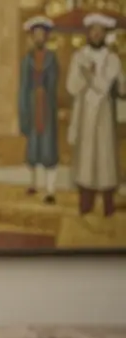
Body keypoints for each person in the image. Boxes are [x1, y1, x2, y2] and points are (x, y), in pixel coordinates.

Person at [66, 11, 121, 217]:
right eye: (93, 31)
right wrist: (83, 76)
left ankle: (108, 208)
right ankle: (85, 207)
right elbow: (71, 87)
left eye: (100, 31)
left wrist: (89, 75)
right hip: (85, 116)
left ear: (105, 34)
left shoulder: (112, 59)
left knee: (105, 160)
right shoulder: (78, 56)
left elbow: (104, 86)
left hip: (104, 116)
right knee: (86, 161)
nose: (96, 34)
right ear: (88, 33)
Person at [18, 15, 60, 204]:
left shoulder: (52, 58)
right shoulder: (27, 60)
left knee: (48, 147)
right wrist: (24, 108)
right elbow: (24, 86)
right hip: (32, 104)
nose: (39, 38)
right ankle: (33, 183)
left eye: (42, 34)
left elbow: (54, 82)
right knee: (33, 146)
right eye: (36, 34)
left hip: (47, 106)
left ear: (47, 37)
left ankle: (50, 189)